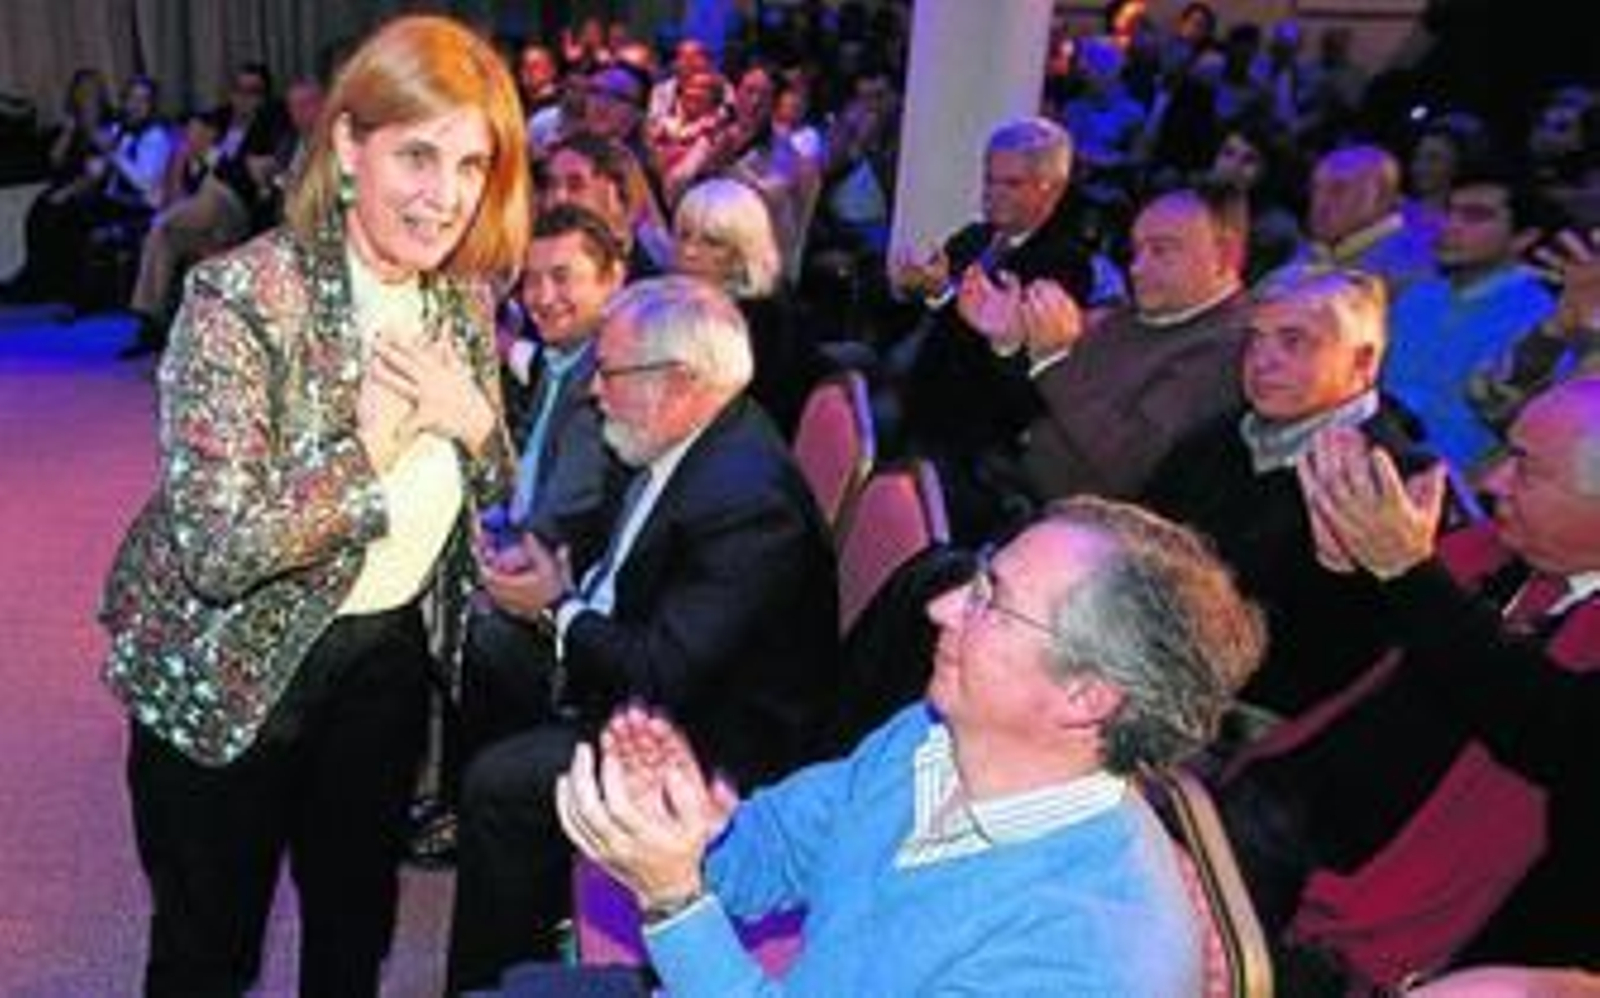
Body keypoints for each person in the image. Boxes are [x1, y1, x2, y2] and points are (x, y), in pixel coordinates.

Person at [96, 15, 529, 996]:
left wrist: (475, 426)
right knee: (211, 946)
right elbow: (216, 544)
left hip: (383, 656)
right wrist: (366, 447)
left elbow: (495, 482)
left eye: (472, 164)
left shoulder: (461, 294)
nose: (448, 196)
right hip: (229, 668)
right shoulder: (240, 299)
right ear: (345, 147)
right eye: (418, 155)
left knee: (354, 922)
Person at [557, 497, 1266, 996]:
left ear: (1086, 696)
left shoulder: (1084, 956)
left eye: (991, 600)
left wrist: (674, 903)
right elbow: (772, 850)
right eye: (979, 578)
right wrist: (689, 825)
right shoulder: (932, 740)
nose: (941, 607)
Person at [446, 276, 839, 990]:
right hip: (651, 677)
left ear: (681, 381)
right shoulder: (687, 435)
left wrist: (557, 610)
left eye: (611, 372)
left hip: (705, 744)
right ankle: (533, 908)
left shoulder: (748, 503)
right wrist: (554, 564)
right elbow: (621, 539)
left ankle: (493, 981)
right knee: (484, 650)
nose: (595, 390)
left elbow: (663, 672)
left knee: (499, 788)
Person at [1291, 375, 1600, 974]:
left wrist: (1407, 574)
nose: (1489, 483)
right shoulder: (1488, 557)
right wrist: (1340, 571)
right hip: (1294, 816)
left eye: (1525, 468)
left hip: (1428, 940)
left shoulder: (1434, 575)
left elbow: (1552, 729)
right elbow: (1318, 676)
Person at [1144, 269, 1432, 718]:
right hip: (1150, 654)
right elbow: (1136, 530)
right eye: (1256, 339)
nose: (1263, 360)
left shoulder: (1392, 482)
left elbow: (1333, 659)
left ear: (1363, 362)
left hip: (1242, 715)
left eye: (1293, 342)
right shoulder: (1222, 433)